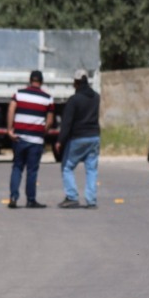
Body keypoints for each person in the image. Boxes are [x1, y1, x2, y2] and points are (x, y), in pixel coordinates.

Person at [6, 69, 54, 209]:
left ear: (30, 80)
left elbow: (11, 109)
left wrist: (10, 129)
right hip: (36, 140)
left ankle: (13, 197)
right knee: (32, 170)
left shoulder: (19, 94)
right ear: (41, 82)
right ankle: (31, 200)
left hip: (19, 138)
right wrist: (42, 132)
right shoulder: (47, 98)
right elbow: (50, 120)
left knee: (17, 167)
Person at [57, 69, 101, 209]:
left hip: (78, 138)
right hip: (94, 137)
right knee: (91, 169)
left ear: (76, 82)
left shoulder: (74, 100)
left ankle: (72, 197)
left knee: (67, 167)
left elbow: (67, 123)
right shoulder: (96, 97)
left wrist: (60, 141)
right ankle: (91, 200)